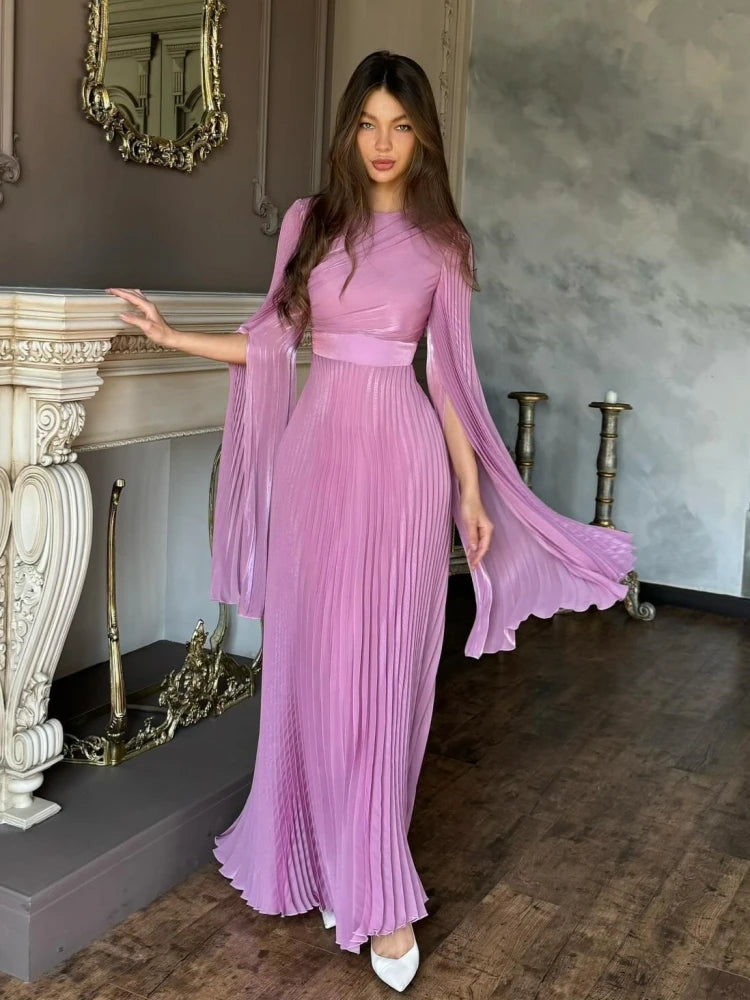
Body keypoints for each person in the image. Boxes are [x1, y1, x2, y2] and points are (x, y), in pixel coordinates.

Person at [107, 50, 635, 994]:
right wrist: (169, 335)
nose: (384, 143)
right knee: (311, 669)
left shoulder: (444, 247)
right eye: (368, 124)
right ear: (350, 130)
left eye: (401, 125)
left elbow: (452, 388)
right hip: (315, 465)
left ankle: (380, 895)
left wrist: (470, 495)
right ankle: (315, 862)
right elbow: (273, 337)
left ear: (422, 134)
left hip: (400, 468)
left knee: (382, 677)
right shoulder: (311, 224)